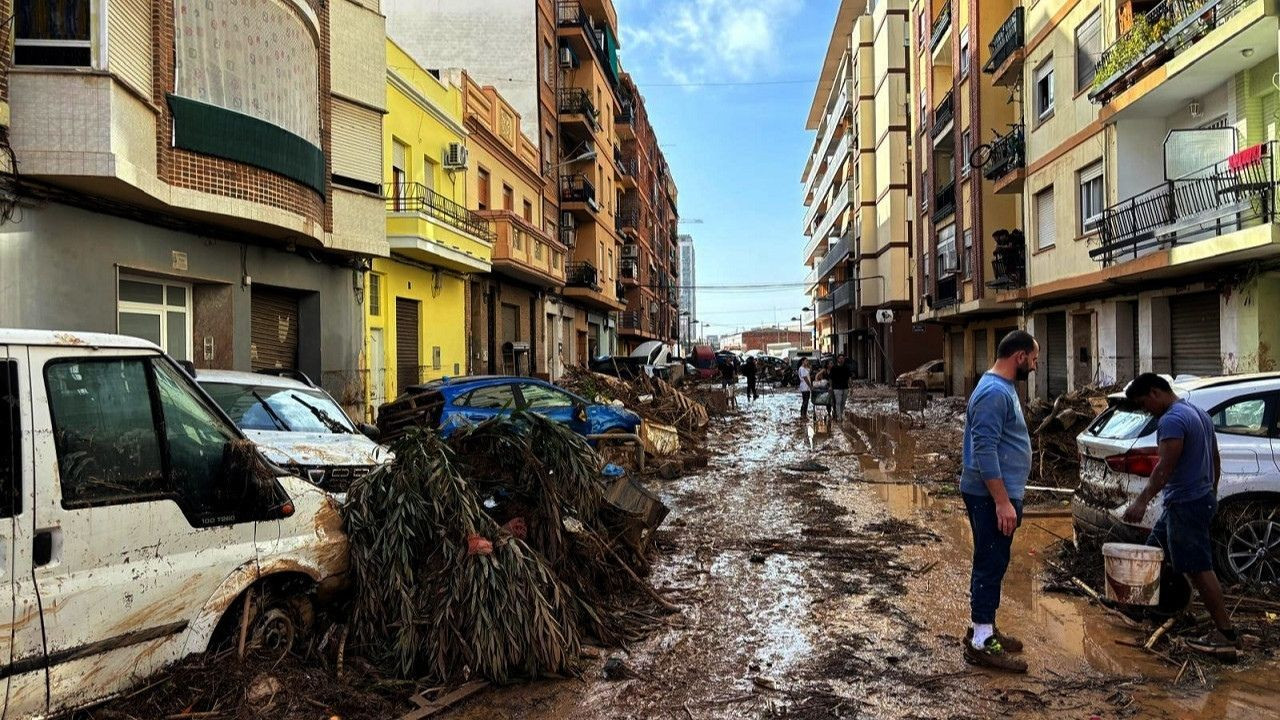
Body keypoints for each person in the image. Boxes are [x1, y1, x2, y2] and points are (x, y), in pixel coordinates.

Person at [1122, 373, 1238, 659]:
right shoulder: (1197, 412)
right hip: (1191, 500)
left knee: (1198, 567)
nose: (1146, 410)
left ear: (1154, 393)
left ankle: (1225, 634)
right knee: (1153, 550)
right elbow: (1215, 457)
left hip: (1186, 504)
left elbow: (1164, 468)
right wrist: (1210, 492)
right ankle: (1148, 609)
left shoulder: (1171, 420)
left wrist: (1141, 502)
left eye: (1143, 403)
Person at [961, 329, 1038, 673]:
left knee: (993, 561)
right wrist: (1002, 501)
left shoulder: (1000, 388)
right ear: (1019, 356)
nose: (1035, 367)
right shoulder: (994, 392)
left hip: (995, 494)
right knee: (990, 563)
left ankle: (985, 627)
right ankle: (980, 640)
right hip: (991, 495)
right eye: (1033, 360)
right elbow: (984, 449)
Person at [828, 354, 851, 421]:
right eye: (840, 358)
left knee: (843, 402)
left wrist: (851, 387)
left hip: (845, 387)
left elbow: (849, 378)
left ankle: (840, 413)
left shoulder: (846, 368)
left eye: (842, 358)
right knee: (838, 402)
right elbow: (830, 378)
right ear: (837, 359)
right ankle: (839, 417)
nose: (841, 360)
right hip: (837, 388)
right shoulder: (834, 368)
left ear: (844, 359)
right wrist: (830, 386)